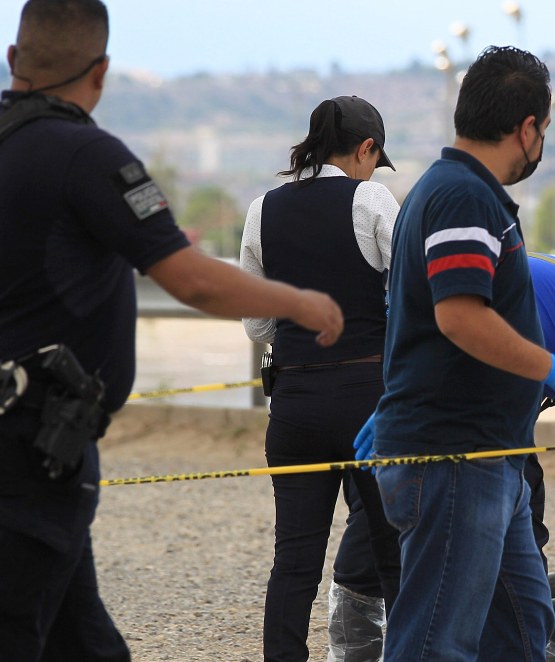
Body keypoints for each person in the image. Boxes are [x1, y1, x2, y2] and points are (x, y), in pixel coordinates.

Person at [0, 1, 345, 660]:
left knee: (81, 638)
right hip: (28, 439)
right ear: (102, 72)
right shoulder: (89, 154)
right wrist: (298, 301)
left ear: (13, 60)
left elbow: (9, 224)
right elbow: (193, 279)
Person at [354, 46, 555, 662]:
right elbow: (459, 315)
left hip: (490, 455)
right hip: (454, 455)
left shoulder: (459, 192)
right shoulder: (463, 198)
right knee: (436, 641)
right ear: (526, 128)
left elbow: (416, 317)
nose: (540, 143)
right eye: (544, 131)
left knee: (523, 624)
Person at [335, 255, 555, 656]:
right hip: (454, 427)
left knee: (518, 537)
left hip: (451, 401)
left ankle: (519, 643)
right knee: (431, 581)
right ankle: (367, 640)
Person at [239, 96, 402, 662]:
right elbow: (413, 296)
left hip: (295, 402)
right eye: (374, 158)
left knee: (294, 560)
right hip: (368, 401)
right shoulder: (371, 197)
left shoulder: (263, 209)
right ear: (365, 149)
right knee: (392, 549)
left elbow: (257, 322)